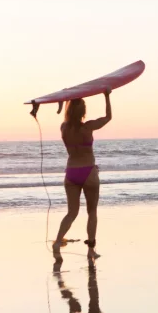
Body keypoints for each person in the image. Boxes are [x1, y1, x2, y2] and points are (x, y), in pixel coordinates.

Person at [52, 89, 112, 261]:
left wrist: (62, 102)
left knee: (71, 213)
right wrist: (106, 96)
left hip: (71, 173)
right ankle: (91, 251)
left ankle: (57, 243)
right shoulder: (88, 127)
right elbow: (108, 118)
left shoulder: (63, 128)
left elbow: (65, 115)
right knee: (92, 212)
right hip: (88, 173)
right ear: (83, 112)